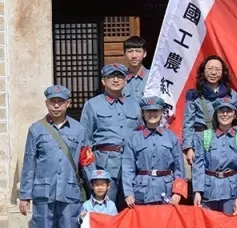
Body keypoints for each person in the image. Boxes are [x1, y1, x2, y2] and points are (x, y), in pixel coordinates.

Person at [19, 85, 95, 228]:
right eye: (52, 101)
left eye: (60, 101)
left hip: (70, 194)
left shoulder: (79, 130)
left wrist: (96, 194)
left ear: (68, 103)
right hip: (43, 194)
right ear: (46, 103)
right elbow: (29, 163)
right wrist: (25, 195)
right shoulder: (36, 130)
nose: (56, 105)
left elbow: (86, 162)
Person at [80, 63, 142, 209]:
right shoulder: (92, 105)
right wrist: (92, 174)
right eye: (111, 76)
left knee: (130, 213)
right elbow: (85, 143)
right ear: (103, 81)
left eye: (120, 76)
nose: (115, 80)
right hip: (105, 166)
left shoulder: (135, 105)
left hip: (131, 166)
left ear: (126, 80)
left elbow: (141, 137)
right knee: (105, 212)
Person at [122, 96, 188, 206]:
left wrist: (178, 192)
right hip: (141, 192)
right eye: (148, 111)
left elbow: (179, 168)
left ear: (162, 112)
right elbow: (128, 168)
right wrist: (128, 193)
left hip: (166, 191)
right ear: (143, 113)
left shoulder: (171, 137)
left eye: (156, 110)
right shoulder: (133, 138)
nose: (152, 114)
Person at [192, 97, 237, 215]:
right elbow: (198, 165)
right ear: (216, 114)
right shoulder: (204, 136)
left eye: (228, 111)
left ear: (234, 115)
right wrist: (197, 191)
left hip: (231, 193)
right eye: (221, 111)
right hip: (209, 191)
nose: (225, 114)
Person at [182, 55, 237, 166]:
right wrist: (189, 148)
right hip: (201, 141)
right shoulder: (194, 95)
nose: (213, 73)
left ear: (223, 72)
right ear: (203, 71)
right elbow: (188, 123)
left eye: (217, 69)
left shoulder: (231, 94)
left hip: (225, 142)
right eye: (209, 69)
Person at [122, 36, 149, 103]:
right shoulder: (120, 78)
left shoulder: (152, 77)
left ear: (145, 53)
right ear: (124, 53)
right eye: (130, 51)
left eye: (138, 51)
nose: (134, 56)